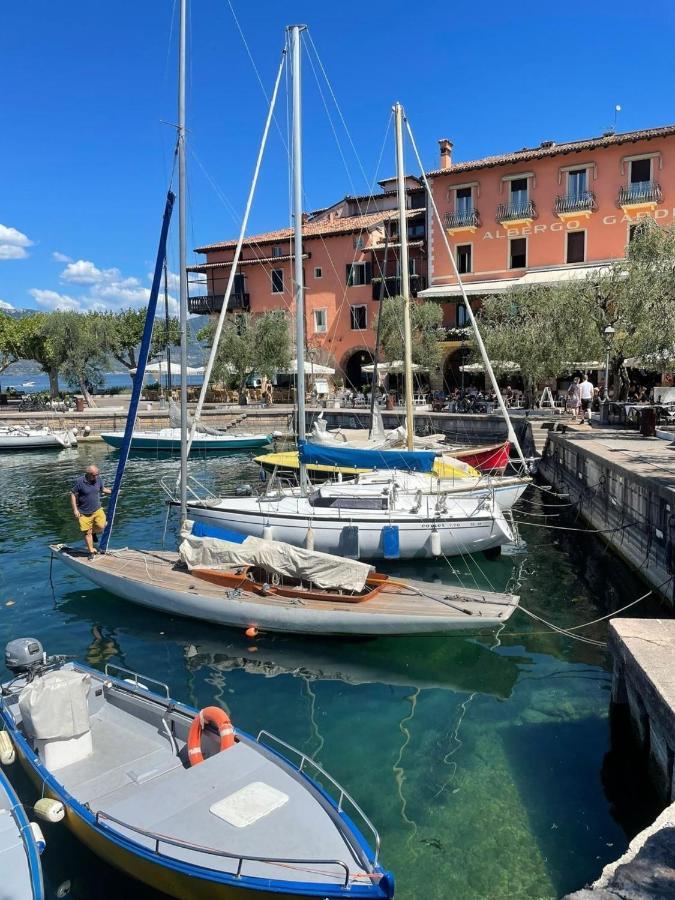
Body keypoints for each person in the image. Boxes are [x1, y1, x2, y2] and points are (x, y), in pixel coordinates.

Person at [70, 465, 111, 559]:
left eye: (97, 474)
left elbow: (103, 489)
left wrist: (113, 491)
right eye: (94, 475)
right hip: (83, 513)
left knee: (102, 526)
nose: (96, 476)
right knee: (87, 533)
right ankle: (91, 551)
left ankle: (92, 532)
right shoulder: (80, 481)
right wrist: (75, 510)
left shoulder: (98, 479)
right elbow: (72, 494)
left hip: (97, 509)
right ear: (88, 474)